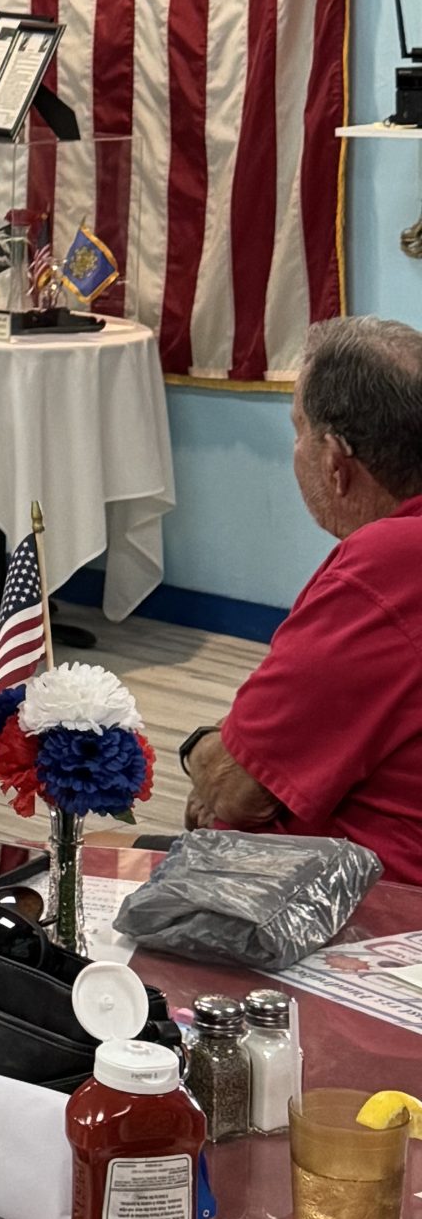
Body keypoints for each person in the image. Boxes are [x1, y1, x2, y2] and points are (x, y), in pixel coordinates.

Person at [183, 317, 422, 883]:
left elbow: (236, 791)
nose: (296, 449)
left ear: (336, 462)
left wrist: (203, 749)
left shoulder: (390, 565)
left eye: (298, 430)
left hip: (361, 902)